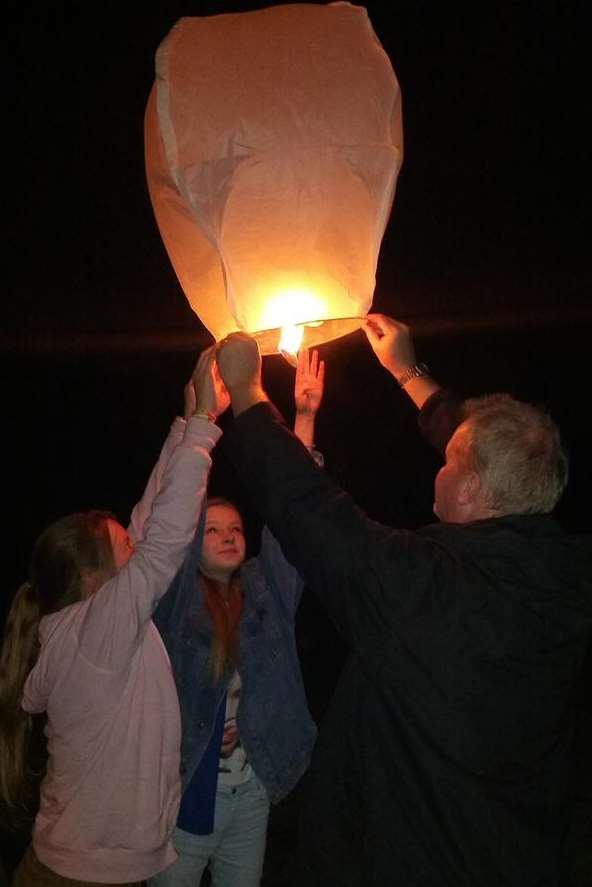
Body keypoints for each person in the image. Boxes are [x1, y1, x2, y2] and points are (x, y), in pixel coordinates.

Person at [214, 317, 592, 887]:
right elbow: (505, 454)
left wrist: (248, 395)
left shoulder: (429, 590)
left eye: (449, 462)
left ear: (466, 489)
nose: (438, 468)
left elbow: (314, 513)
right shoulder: (565, 577)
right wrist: (408, 372)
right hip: (520, 851)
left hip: (416, 859)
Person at [0, 347, 228, 886]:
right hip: (82, 876)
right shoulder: (96, 634)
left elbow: (149, 521)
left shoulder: (88, 629)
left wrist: (186, 421)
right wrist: (202, 428)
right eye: (123, 546)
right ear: (92, 581)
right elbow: (165, 540)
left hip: (82, 868)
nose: (136, 539)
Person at [148, 348, 324, 887]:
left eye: (235, 530)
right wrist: (203, 422)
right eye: (213, 529)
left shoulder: (265, 589)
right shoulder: (175, 604)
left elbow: (293, 516)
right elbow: (171, 517)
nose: (227, 535)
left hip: (253, 793)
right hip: (184, 801)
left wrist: (306, 417)